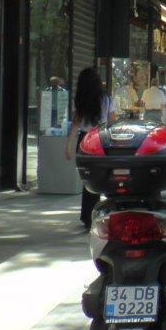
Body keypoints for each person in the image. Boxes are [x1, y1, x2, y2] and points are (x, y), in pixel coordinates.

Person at [66, 68, 116, 230]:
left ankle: (87, 216)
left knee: (88, 179)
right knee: (102, 178)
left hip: (84, 141)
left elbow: (75, 124)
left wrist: (68, 146)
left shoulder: (81, 99)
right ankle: (99, 214)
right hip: (101, 139)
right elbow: (112, 121)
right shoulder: (107, 98)